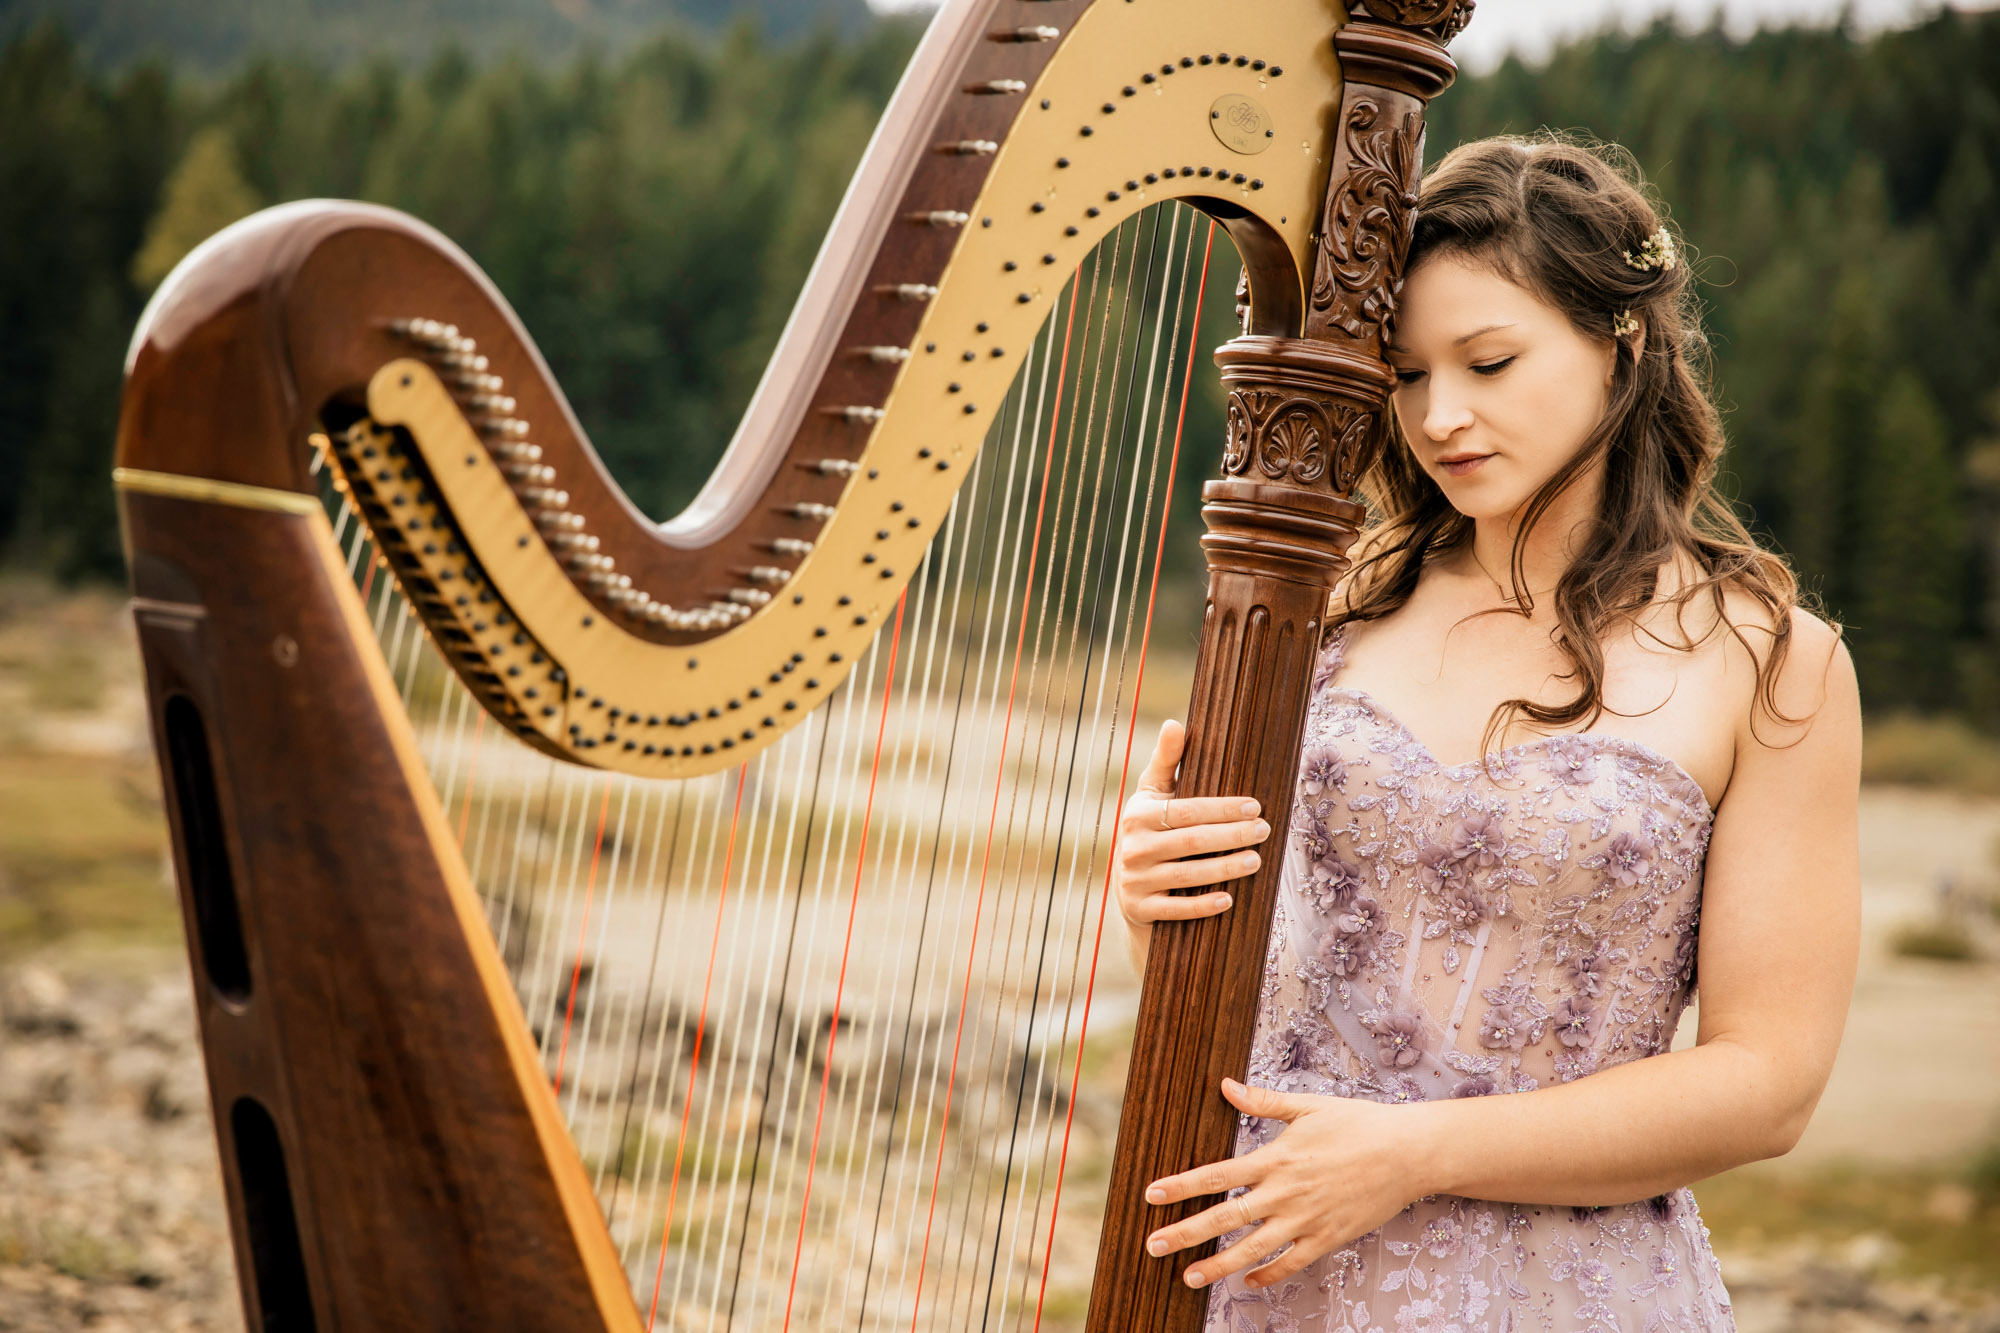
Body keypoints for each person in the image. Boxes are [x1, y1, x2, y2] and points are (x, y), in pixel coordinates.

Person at [1112, 133, 1862, 1332]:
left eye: (1488, 360)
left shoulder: (1770, 660)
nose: (1440, 415)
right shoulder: (1319, 614)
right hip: (1271, 1272)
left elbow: (1764, 1086)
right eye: (1405, 375)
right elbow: (1252, 1011)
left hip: (1566, 1292)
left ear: (1621, 342)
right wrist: (1155, 903)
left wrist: (1412, 1152)